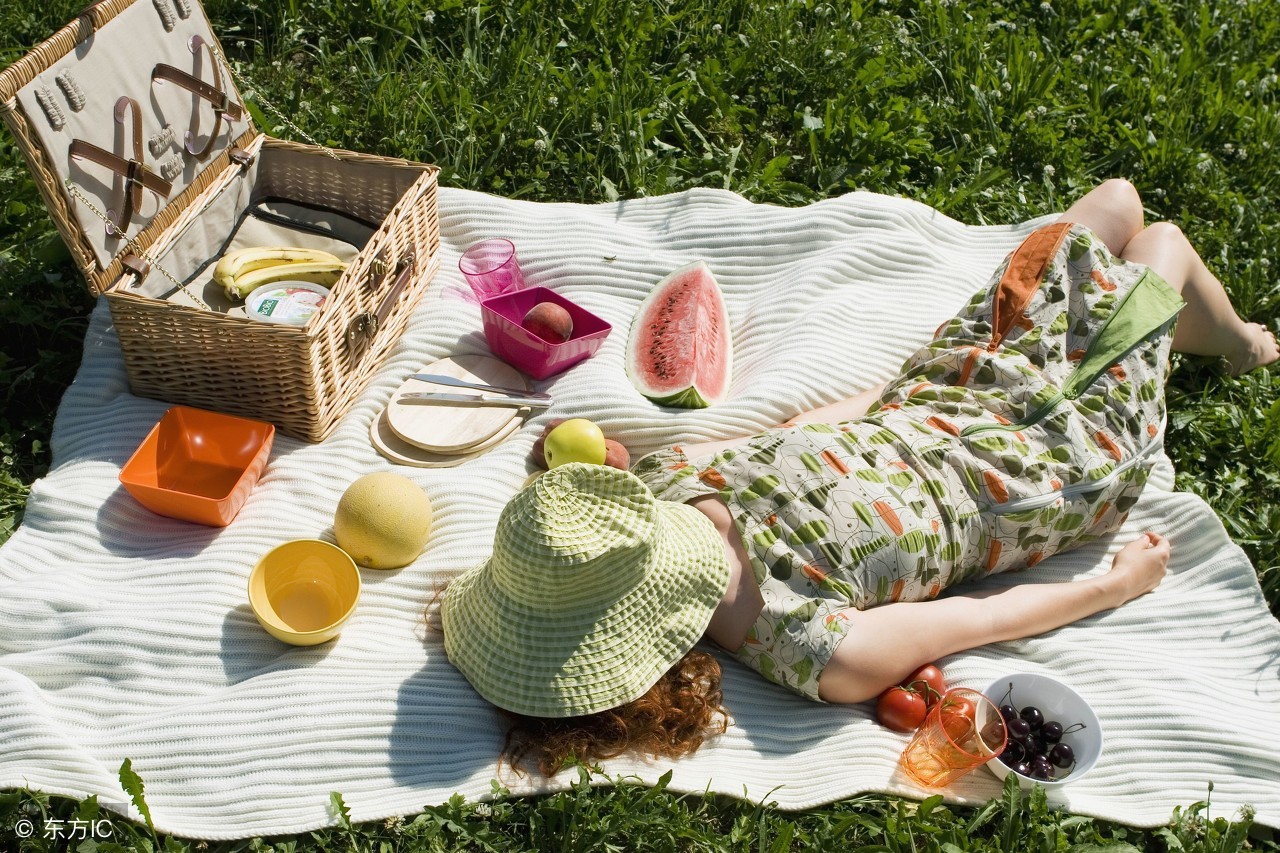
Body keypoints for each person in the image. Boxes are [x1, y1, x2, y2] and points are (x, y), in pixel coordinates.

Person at [439, 179, 1279, 776]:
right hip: (1047, 458)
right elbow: (977, 615)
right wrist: (1113, 586)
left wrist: (901, 384)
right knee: (1160, 245)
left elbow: (800, 432)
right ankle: (1240, 343)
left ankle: (1202, 333)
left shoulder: (661, 490)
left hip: (952, 385)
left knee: (1116, 203)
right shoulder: (806, 644)